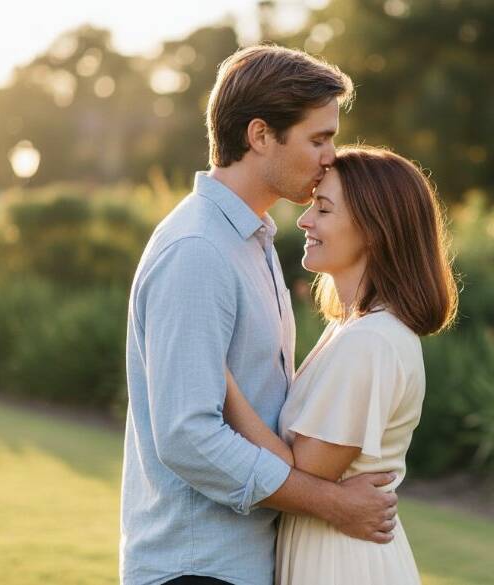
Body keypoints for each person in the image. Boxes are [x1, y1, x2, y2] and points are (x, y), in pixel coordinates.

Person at [120, 46, 400, 585]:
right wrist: (329, 502)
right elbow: (187, 435)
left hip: (240, 566)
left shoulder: (254, 239)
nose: (330, 156)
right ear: (260, 135)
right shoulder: (198, 249)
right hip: (198, 568)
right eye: (318, 138)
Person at [222, 145, 459, 584]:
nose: (305, 221)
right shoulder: (351, 330)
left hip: (343, 564)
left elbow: (301, 474)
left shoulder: (371, 341)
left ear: (373, 230)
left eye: (324, 209)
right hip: (328, 551)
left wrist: (221, 379)